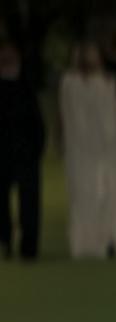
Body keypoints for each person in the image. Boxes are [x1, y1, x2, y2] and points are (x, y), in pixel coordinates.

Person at [59, 43, 116, 259]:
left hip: (107, 152)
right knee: (87, 195)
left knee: (110, 194)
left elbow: (115, 121)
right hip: (83, 153)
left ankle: (111, 238)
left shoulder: (107, 83)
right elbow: (69, 120)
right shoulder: (71, 84)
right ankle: (90, 241)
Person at [0, 38, 45, 261]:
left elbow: (37, 122)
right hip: (2, 155)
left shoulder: (27, 87)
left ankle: (29, 247)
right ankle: (5, 241)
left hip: (26, 154)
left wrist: (37, 148)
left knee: (30, 203)